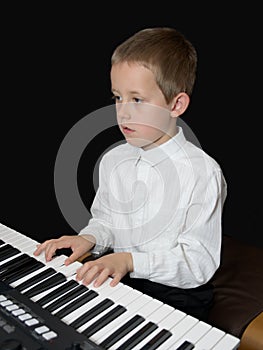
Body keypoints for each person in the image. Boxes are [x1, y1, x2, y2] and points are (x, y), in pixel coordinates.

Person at [34, 27, 227, 321]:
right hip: (122, 276)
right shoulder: (114, 159)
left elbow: (197, 264)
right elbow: (108, 221)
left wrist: (130, 261)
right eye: (117, 97)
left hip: (177, 292)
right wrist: (89, 238)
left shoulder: (203, 173)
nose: (123, 112)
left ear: (176, 105)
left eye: (137, 99)